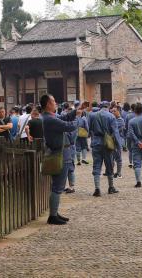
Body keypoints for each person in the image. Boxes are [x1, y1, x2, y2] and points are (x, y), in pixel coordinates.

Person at [41, 93, 79, 225]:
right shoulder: (49, 119)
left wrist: (75, 112)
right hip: (60, 154)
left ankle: (55, 212)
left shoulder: (49, 117)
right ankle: (52, 216)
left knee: (58, 186)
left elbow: (63, 117)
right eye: (53, 101)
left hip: (62, 153)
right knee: (58, 187)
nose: (56, 103)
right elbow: (68, 126)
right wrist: (78, 118)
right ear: (48, 104)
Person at [88, 100, 119, 196]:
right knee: (109, 165)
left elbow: (89, 128)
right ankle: (111, 187)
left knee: (96, 165)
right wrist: (118, 145)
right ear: (108, 107)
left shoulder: (92, 115)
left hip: (96, 142)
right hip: (107, 143)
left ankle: (97, 188)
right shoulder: (111, 116)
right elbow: (115, 132)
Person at [111, 105, 125, 179]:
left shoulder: (120, 120)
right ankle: (111, 172)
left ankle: (119, 173)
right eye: (112, 111)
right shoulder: (112, 119)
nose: (113, 112)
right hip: (111, 141)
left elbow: (115, 130)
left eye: (114, 111)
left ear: (118, 111)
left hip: (118, 141)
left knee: (118, 157)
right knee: (111, 157)